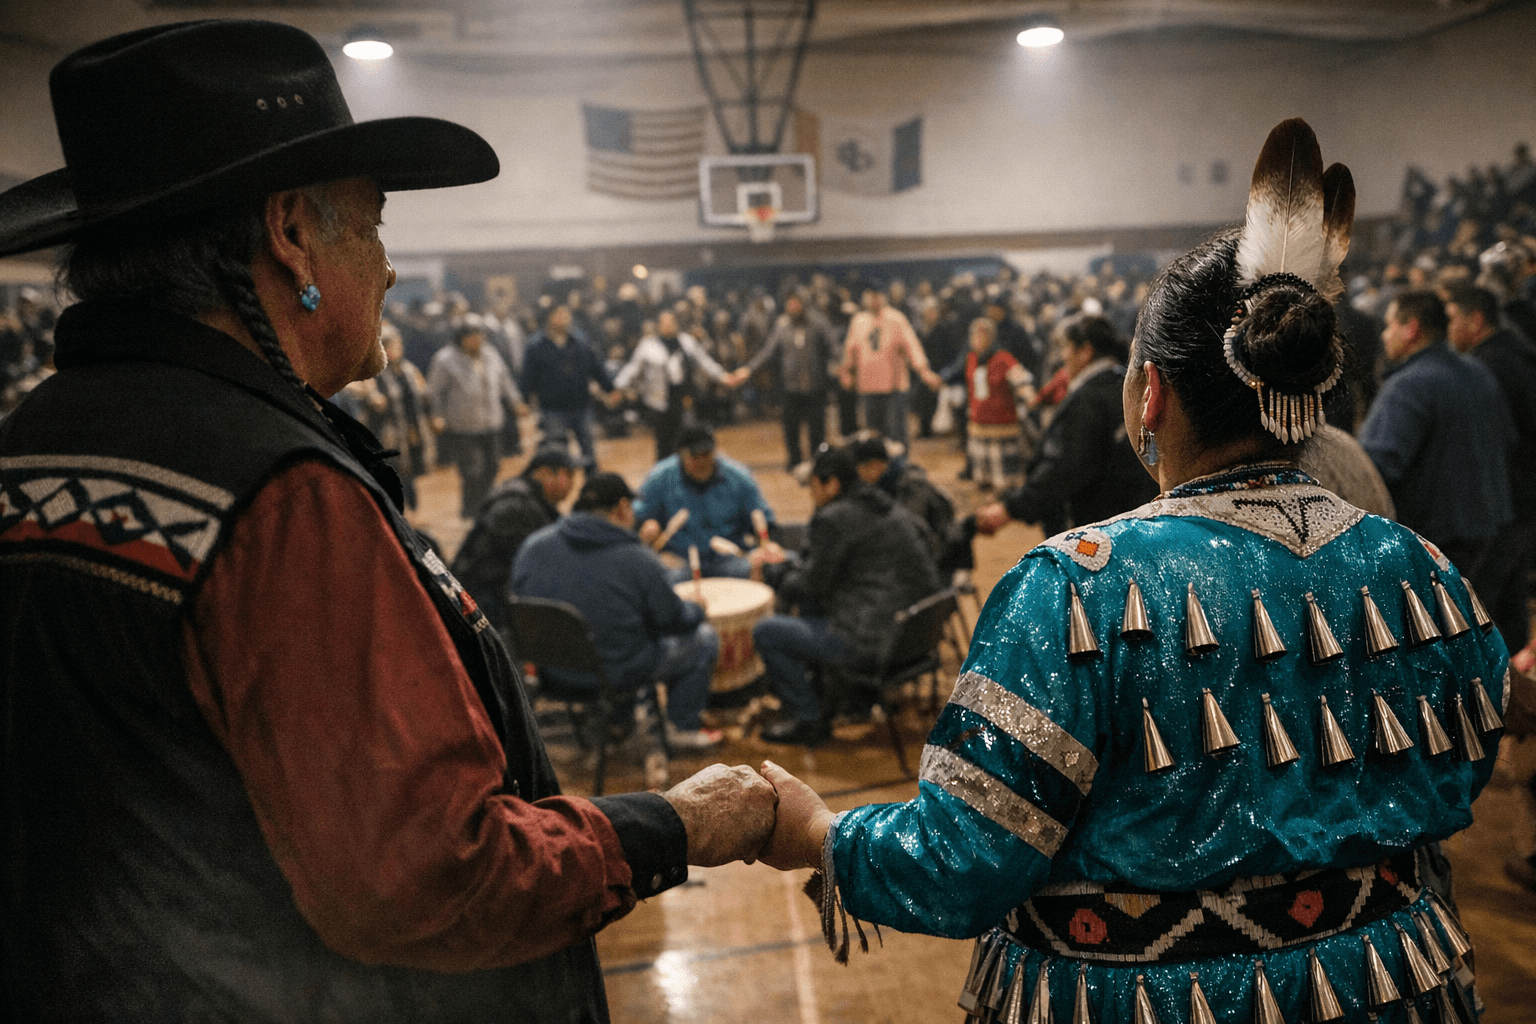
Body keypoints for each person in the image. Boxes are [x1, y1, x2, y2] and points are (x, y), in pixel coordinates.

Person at [0, 21, 775, 1023]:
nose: (391, 267)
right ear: (289, 233)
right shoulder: (277, 497)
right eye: (370, 225)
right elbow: (430, 872)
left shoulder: (31, 435)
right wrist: (675, 825)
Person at [757, 119, 1505, 1021]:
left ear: (1149, 392)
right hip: (1396, 990)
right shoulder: (1413, 561)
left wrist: (816, 832)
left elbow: (961, 860)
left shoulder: (1077, 585)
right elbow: (1467, 750)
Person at [511, 473, 724, 752]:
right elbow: (675, 622)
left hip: (550, 674)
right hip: (614, 676)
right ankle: (681, 728)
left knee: (614, 633)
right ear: (622, 508)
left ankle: (618, 722)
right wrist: (697, 608)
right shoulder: (637, 558)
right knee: (703, 639)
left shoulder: (533, 547)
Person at [753, 444, 941, 746]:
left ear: (832, 484)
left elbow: (812, 583)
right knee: (811, 605)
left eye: (813, 486)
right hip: (914, 637)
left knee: (767, 631)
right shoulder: (887, 506)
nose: (811, 496)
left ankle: (808, 718)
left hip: (872, 643)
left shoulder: (834, 517)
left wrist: (775, 573)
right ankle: (845, 698)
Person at [1358, 290, 1514, 574]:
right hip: (1487, 528)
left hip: (1432, 538)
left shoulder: (1408, 386)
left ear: (1411, 329)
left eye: (1391, 324)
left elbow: (1375, 469)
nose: (1384, 335)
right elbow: (1507, 439)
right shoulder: (1479, 372)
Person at [975, 313, 1156, 539]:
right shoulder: (1130, 388)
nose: (1063, 356)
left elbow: (1064, 469)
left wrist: (1011, 508)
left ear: (1085, 352)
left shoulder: (1088, 399)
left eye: (1067, 348)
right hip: (1138, 519)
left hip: (1098, 528)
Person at [1444, 283, 1536, 654]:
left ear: (1476, 320)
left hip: (1508, 497)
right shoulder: (1517, 351)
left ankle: (1491, 683)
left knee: (1486, 593)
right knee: (1510, 590)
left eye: (1452, 319)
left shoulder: (1487, 366)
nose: (1447, 329)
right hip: (1524, 494)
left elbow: (1497, 439)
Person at [451, 443, 576, 641]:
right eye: (568, 475)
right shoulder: (516, 506)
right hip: (484, 609)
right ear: (544, 474)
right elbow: (518, 571)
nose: (572, 484)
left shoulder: (526, 498)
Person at [633, 423, 777, 582]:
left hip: (730, 557)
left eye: (707, 454)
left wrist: (767, 547)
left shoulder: (738, 476)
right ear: (681, 455)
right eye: (695, 457)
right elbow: (638, 517)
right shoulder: (660, 477)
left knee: (771, 568)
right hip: (678, 559)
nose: (702, 461)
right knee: (658, 580)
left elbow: (764, 520)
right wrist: (646, 526)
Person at [726, 289, 837, 469]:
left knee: (817, 430)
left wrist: (840, 367)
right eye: (790, 303)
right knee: (790, 429)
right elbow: (768, 353)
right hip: (790, 389)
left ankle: (818, 464)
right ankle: (795, 463)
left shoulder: (818, 323)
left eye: (796, 302)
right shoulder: (782, 326)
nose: (793, 306)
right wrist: (748, 370)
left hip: (816, 387)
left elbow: (833, 347)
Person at [428, 321, 524, 518]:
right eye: (471, 336)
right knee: (472, 472)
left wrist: (516, 402)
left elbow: (505, 381)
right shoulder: (445, 360)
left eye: (479, 335)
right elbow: (434, 392)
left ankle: (484, 504)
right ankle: (471, 510)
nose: (476, 340)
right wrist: (436, 415)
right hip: (463, 426)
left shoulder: (491, 354)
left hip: (492, 422)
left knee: (493, 466)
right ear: (461, 338)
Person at [614, 309, 732, 460]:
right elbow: (632, 369)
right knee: (664, 442)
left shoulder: (687, 341)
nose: (668, 326)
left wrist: (723, 376)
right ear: (659, 326)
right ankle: (664, 474)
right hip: (659, 401)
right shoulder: (648, 346)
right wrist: (615, 387)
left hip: (683, 398)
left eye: (671, 322)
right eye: (664, 323)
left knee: (685, 439)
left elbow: (705, 362)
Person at [838, 288, 943, 449]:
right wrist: (846, 371)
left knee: (896, 434)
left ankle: (900, 469)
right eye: (870, 296)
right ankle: (878, 469)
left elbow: (912, 346)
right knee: (874, 435)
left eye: (877, 296)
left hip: (894, 387)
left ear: (883, 297)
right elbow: (850, 350)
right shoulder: (859, 320)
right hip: (868, 387)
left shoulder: (896, 319)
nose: (874, 300)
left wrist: (924, 371)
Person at [520, 303, 616, 472]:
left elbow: (595, 366)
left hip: (581, 404)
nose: (564, 319)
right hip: (552, 409)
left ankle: (592, 492)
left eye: (566, 315)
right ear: (550, 318)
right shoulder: (536, 345)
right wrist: (524, 400)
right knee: (556, 456)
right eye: (559, 315)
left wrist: (610, 388)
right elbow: (528, 375)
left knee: (589, 455)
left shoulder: (580, 340)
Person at [850, 433, 957, 570]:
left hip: (931, 565)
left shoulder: (912, 487)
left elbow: (910, 538)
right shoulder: (884, 484)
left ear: (874, 466)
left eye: (856, 468)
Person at [948, 316, 1033, 491]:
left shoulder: (1003, 359)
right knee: (982, 476)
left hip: (1002, 424)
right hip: (978, 422)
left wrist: (1030, 396)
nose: (977, 340)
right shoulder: (971, 358)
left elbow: (1022, 381)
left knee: (1004, 481)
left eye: (982, 336)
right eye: (974, 336)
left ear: (991, 337)